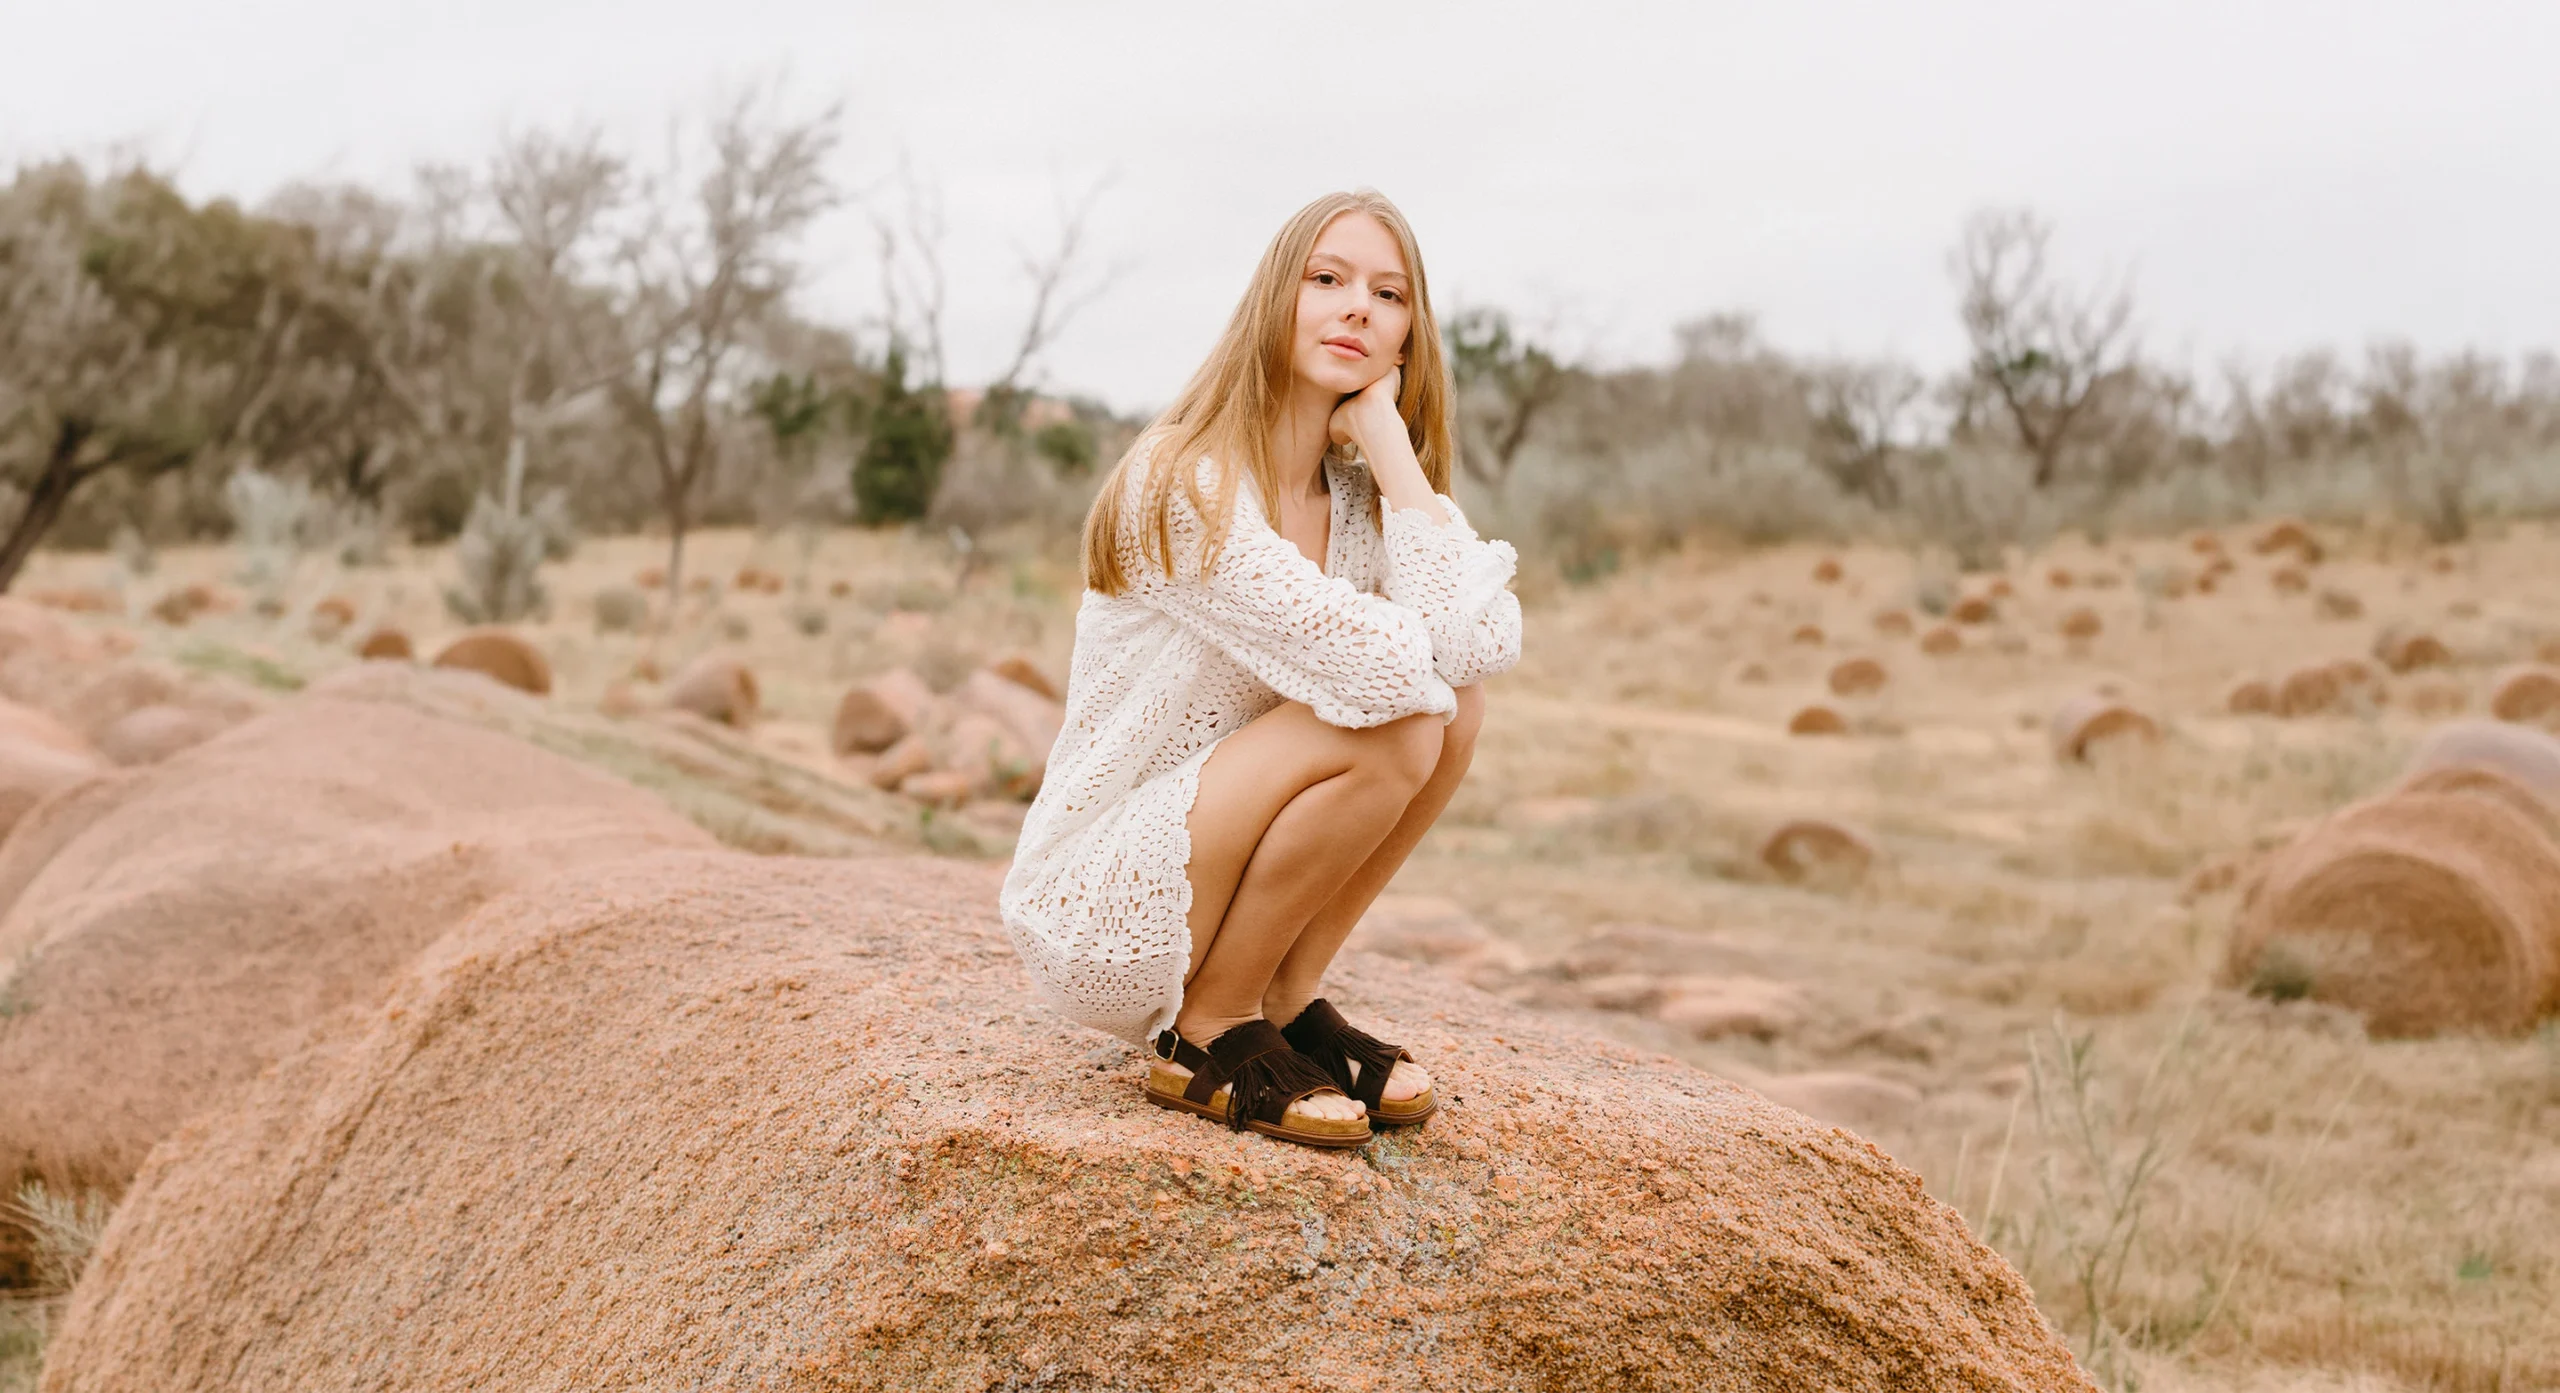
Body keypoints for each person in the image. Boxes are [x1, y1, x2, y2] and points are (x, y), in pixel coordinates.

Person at [997, 188, 1524, 1149]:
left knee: (1460, 708)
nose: (1357, 306)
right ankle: (1206, 1031)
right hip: (1112, 892)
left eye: (1389, 293)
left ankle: (1281, 998)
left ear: (1410, 336)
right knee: (1409, 714)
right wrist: (1424, 628)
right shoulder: (1184, 479)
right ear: (1275, 300)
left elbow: (1481, 649)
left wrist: (1393, 452)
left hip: (1224, 856)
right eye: (1327, 279)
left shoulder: (1359, 503)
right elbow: (1386, 673)